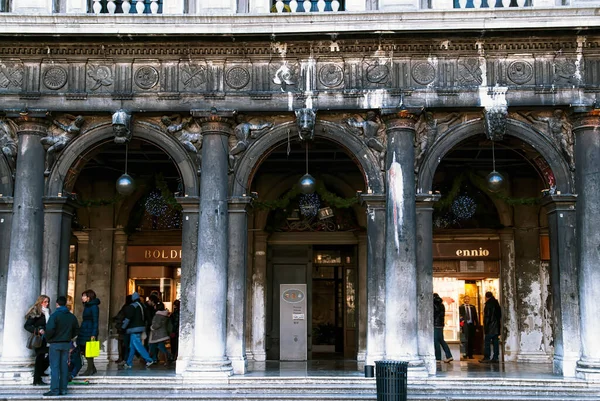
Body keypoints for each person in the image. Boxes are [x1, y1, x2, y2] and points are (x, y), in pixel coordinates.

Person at [43, 295, 79, 397]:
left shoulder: (54, 316)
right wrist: (69, 337)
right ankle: (63, 389)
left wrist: (49, 339)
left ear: (57, 304)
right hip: (66, 343)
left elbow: (49, 330)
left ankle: (54, 390)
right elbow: (76, 329)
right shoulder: (71, 316)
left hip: (55, 344)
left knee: (55, 367)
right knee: (64, 367)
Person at [120, 292, 155, 369]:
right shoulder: (143, 306)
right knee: (132, 346)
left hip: (134, 329)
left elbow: (128, 318)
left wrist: (123, 327)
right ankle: (129, 362)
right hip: (141, 327)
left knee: (138, 345)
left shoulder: (132, 306)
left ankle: (149, 360)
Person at [71, 289, 100, 378]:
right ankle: (92, 367)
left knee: (88, 350)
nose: (82, 298)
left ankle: (90, 369)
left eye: (84, 296)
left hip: (89, 331)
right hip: (84, 330)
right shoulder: (87, 306)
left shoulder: (94, 307)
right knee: (83, 349)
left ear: (89, 297)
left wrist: (94, 333)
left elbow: (95, 321)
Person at [24, 295, 51, 385]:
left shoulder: (47, 311)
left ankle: (40, 372)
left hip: (46, 338)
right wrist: (37, 330)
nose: (47, 304)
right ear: (40, 302)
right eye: (45, 302)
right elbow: (27, 326)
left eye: (48, 302)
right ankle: (37, 379)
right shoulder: (36, 311)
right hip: (39, 338)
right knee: (40, 357)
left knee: (48, 354)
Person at [148, 302, 174, 366]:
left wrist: (152, 327)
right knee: (158, 346)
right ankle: (154, 359)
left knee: (160, 346)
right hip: (163, 333)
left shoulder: (158, 315)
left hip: (157, 334)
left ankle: (167, 358)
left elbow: (156, 325)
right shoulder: (165, 315)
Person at [480, 291, 502, 363]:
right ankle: (495, 357)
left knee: (487, 342)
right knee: (495, 342)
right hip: (496, 327)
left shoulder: (488, 304)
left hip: (490, 327)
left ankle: (487, 357)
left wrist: (485, 326)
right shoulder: (496, 303)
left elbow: (487, 317)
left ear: (486, 297)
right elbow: (499, 315)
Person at [433, 293, 453, 363]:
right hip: (441, 325)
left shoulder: (433, 305)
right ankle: (449, 355)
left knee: (436, 341)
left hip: (435, 325)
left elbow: (434, 315)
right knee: (441, 340)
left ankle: (438, 358)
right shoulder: (442, 305)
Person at [112, 295, 132, 364]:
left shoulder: (125, 307)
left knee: (121, 343)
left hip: (122, 328)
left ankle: (121, 357)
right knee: (126, 344)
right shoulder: (129, 307)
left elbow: (119, 316)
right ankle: (124, 358)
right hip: (125, 328)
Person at [459, 295, 479, 359]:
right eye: (465, 299)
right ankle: (465, 353)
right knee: (465, 339)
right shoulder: (461, 307)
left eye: (468, 299)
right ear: (463, 300)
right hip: (465, 325)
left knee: (471, 339)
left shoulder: (472, 307)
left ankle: (470, 354)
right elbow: (460, 317)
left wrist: (477, 326)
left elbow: (475, 317)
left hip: (471, 325)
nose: (467, 300)